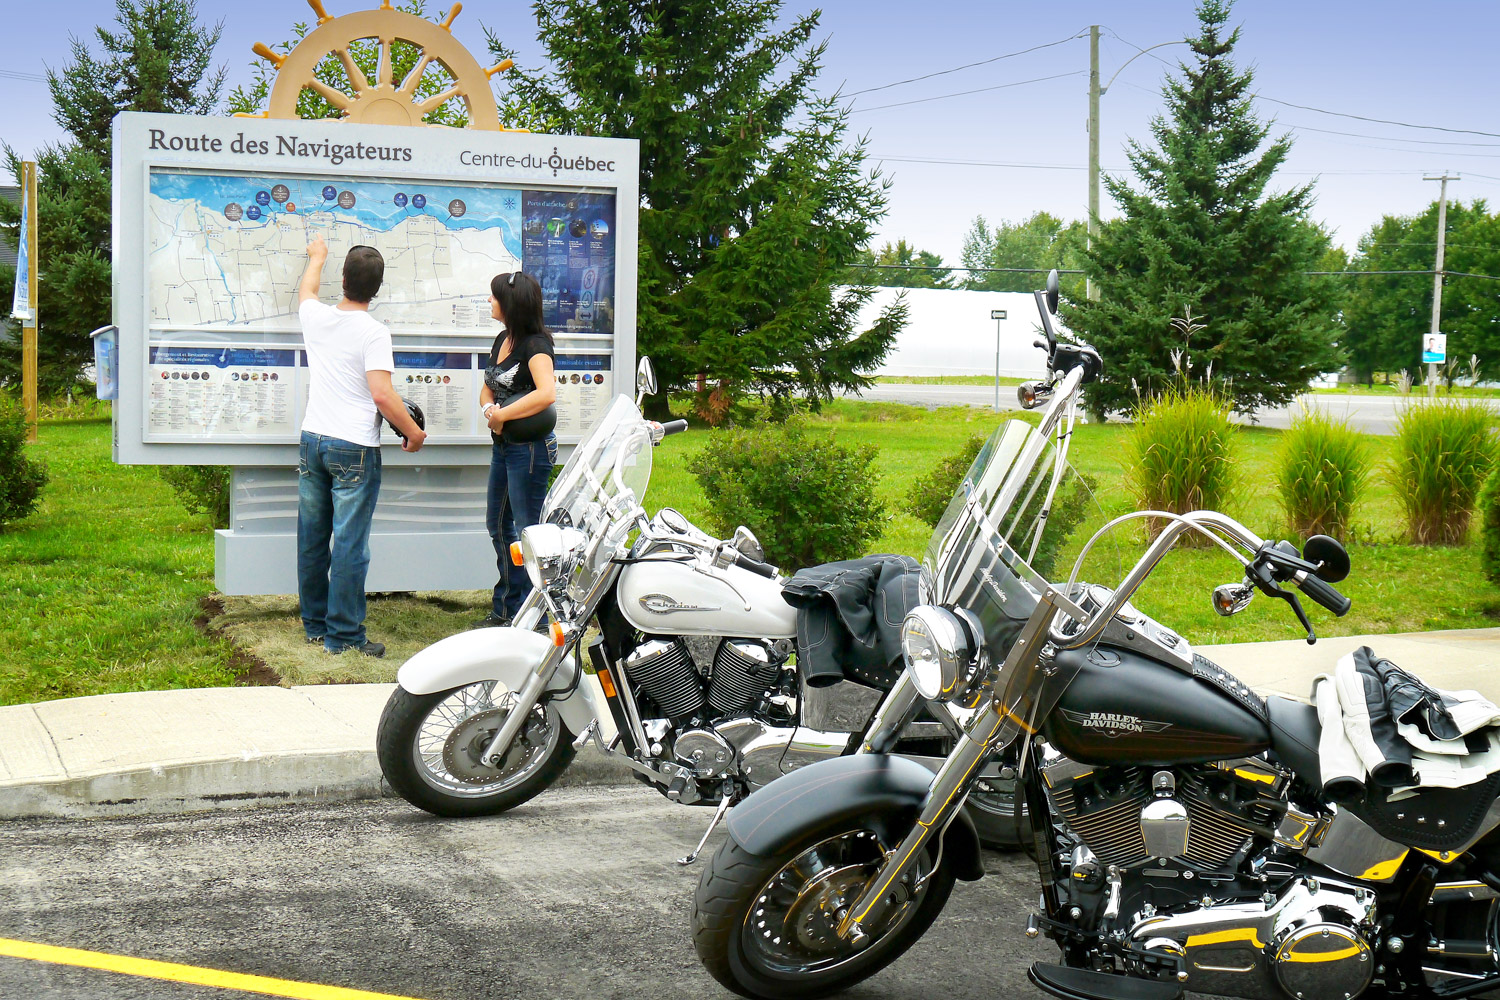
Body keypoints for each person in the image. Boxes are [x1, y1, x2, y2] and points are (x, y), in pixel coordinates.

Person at [296, 238, 426, 657]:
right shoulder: (374, 332)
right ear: (379, 287)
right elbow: (383, 396)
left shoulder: (316, 317)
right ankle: (345, 635)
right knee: (350, 543)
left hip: (312, 438)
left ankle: (316, 626)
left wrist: (317, 257)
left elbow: (307, 291)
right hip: (354, 446)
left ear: (345, 280)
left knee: (313, 539)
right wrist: (414, 433)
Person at [477, 270, 558, 627]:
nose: (490, 302)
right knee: (497, 524)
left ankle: (533, 614)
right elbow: (487, 386)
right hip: (504, 446)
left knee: (528, 531)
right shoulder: (502, 339)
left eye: (494, 297)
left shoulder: (536, 345)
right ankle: (508, 606)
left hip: (529, 451)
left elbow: (546, 393)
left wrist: (503, 415)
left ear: (510, 303)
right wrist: (489, 411)